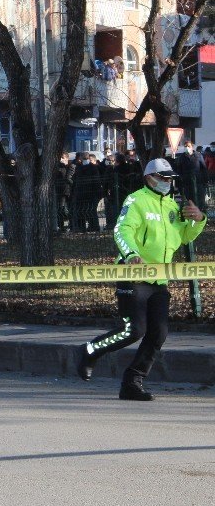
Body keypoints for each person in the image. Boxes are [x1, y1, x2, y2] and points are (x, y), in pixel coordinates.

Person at [76, 158, 206, 401]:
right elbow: (121, 229)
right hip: (133, 274)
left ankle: (132, 383)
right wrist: (131, 254)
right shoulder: (136, 200)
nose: (168, 182)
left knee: (158, 334)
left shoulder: (171, 205)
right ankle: (90, 350)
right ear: (150, 178)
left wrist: (198, 220)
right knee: (133, 330)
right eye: (163, 178)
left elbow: (185, 237)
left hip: (160, 279)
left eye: (170, 179)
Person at [175, 141, 207, 210]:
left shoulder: (198, 155)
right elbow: (179, 171)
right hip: (187, 183)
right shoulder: (181, 157)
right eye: (185, 146)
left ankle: (202, 215)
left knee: (200, 201)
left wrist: (205, 181)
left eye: (188, 146)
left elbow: (203, 169)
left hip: (198, 182)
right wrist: (181, 181)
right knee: (190, 201)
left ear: (192, 147)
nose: (187, 148)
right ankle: (192, 217)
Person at [56, 152, 75, 232]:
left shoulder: (71, 166)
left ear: (67, 158)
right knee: (60, 209)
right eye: (60, 158)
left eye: (62, 158)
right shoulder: (58, 167)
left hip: (69, 190)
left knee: (69, 209)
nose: (61, 160)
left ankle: (72, 225)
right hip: (61, 191)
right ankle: (61, 226)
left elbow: (70, 178)